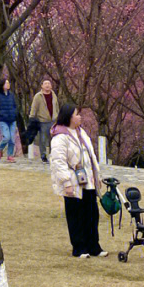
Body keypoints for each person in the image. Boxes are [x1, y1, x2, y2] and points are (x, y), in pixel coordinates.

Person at [49, 103, 106, 259]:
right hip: (73, 182)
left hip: (88, 180)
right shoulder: (60, 137)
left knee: (92, 213)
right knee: (76, 215)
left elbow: (91, 156)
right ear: (68, 117)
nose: (79, 117)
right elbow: (58, 162)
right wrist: (66, 183)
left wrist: (97, 176)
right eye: (76, 114)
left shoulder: (81, 133)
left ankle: (94, 246)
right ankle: (79, 247)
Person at [28, 78, 57, 163]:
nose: (47, 85)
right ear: (42, 86)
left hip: (53, 121)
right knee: (43, 139)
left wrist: (58, 117)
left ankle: (53, 155)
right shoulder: (38, 96)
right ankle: (43, 156)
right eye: (45, 83)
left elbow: (57, 107)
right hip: (43, 121)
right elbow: (34, 107)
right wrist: (32, 117)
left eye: (49, 83)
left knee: (54, 139)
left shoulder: (54, 95)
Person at [0, 77, 18, 162]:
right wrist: (1, 113)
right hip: (3, 120)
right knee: (6, 137)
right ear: (2, 85)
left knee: (12, 139)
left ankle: (10, 155)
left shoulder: (11, 95)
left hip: (12, 120)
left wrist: (15, 113)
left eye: (8, 83)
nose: (8, 84)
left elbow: (15, 106)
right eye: (6, 83)